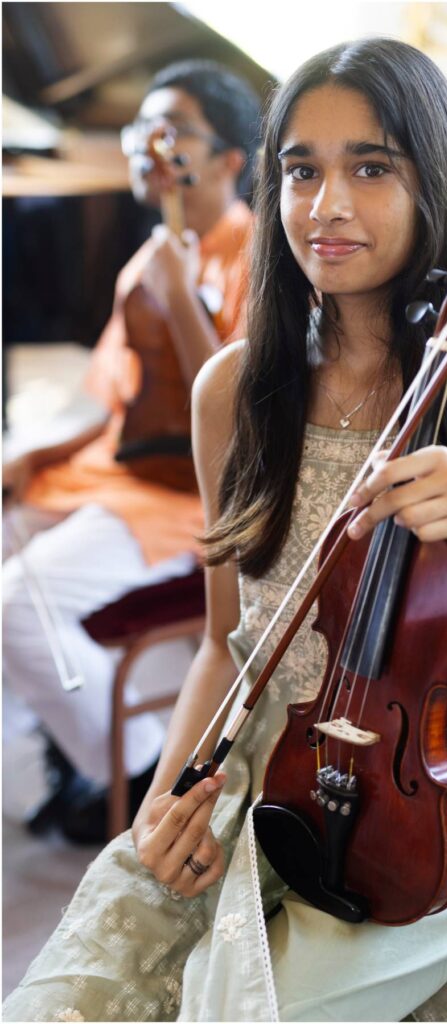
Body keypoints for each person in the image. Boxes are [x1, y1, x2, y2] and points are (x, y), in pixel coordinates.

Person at [3, 38, 447, 1023]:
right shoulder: (230, 390)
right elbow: (220, 645)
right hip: (253, 761)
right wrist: (166, 804)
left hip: (432, 797)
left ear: (433, 183)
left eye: (371, 168)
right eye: (301, 170)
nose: (326, 205)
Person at [2, 60, 260, 843]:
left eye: (171, 129)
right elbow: (120, 402)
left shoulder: (257, 256)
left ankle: (141, 769)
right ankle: (64, 744)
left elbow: (235, 413)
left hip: (190, 491)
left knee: (18, 606)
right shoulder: (148, 257)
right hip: (121, 470)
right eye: (141, 125)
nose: (149, 142)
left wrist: (179, 294)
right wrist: (33, 455)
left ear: (228, 159)